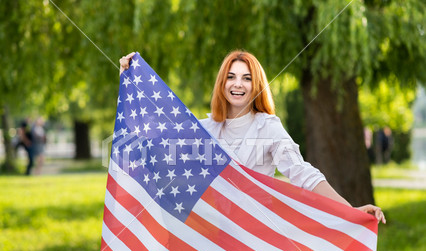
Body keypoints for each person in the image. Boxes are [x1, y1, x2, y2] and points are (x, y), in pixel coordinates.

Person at [119, 51, 385, 224]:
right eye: (231, 77)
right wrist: (129, 77)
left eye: (246, 78)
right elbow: (156, 136)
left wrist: (350, 211)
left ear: (256, 85)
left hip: (254, 232)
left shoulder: (267, 127)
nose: (238, 84)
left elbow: (304, 174)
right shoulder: (207, 128)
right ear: (222, 84)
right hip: (211, 231)